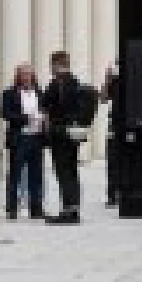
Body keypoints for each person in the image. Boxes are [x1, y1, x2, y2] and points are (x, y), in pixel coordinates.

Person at [41, 50, 87, 225]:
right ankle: (73, 209)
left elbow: (45, 105)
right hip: (72, 133)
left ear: (56, 64)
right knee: (72, 170)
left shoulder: (57, 84)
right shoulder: (75, 81)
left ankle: (68, 211)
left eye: (52, 64)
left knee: (63, 171)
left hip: (59, 133)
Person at [0, 63, 47, 221]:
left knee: (36, 174)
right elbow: (5, 113)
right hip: (19, 138)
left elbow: (46, 110)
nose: (27, 78)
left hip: (37, 137)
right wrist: (27, 118)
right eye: (24, 74)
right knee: (15, 174)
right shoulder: (9, 93)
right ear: (18, 76)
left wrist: (43, 119)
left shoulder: (40, 93)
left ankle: (36, 208)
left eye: (29, 74)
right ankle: (12, 208)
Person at [103, 61, 124, 209]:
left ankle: (123, 193)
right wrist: (108, 78)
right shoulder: (114, 82)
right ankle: (112, 194)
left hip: (127, 126)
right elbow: (103, 98)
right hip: (114, 127)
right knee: (112, 162)